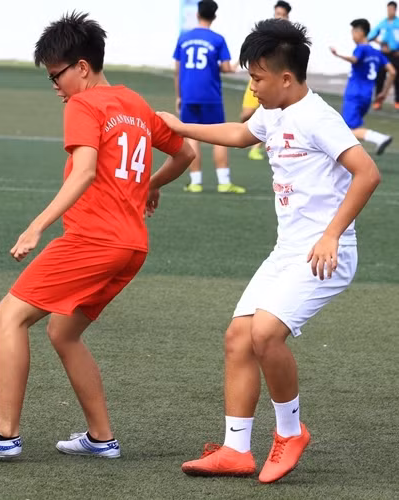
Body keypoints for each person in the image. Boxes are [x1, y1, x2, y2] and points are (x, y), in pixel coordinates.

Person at [0, 11, 194, 459]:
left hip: (94, 241)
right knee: (63, 332)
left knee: (9, 316)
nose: (55, 86)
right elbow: (187, 153)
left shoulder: (84, 105)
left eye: (56, 75)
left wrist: (36, 226)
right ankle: (101, 438)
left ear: (82, 67)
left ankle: (3, 436)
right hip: (132, 247)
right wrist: (151, 185)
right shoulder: (136, 104)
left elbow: (83, 172)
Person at [158, 19, 381, 483]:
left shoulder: (317, 118)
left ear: (286, 77)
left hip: (326, 253)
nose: (252, 87)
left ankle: (290, 432)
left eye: (257, 78)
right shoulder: (272, 111)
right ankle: (236, 450)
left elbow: (367, 173)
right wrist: (181, 126)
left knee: (264, 334)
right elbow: (241, 135)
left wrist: (331, 234)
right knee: (238, 337)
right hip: (287, 251)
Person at [173, 0, 244, 193]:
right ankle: (224, 182)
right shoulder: (217, 39)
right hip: (210, 96)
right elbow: (226, 67)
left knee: (192, 137)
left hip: (189, 95)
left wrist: (179, 96)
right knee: (219, 137)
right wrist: (234, 66)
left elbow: (178, 70)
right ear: (214, 16)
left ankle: (195, 182)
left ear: (197, 14)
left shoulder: (184, 38)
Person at [331, 19, 394, 154]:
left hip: (354, 94)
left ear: (360, 32)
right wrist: (384, 93)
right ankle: (350, 158)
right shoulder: (377, 53)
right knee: (351, 130)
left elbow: (355, 59)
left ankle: (379, 138)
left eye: (353, 33)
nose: (352, 36)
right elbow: (393, 72)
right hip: (367, 96)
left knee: (348, 130)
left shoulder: (360, 48)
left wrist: (338, 55)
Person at [241, 1, 291, 161]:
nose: (279, 17)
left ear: (287, 17)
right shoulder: (265, 32)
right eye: (277, 14)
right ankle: (245, 135)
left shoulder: (290, 38)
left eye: (283, 15)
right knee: (246, 114)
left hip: (274, 83)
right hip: (257, 79)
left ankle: (257, 148)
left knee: (270, 115)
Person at [369, 1, 399, 109]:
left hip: (396, 54)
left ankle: (397, 101)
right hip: (384, 55)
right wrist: (380, 43)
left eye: (391, 9)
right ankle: (378, 101)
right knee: (380, 76)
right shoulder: (382, 24)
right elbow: (371, 36)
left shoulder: (398, 24)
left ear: (395, 10)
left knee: (397, 78)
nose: (389, 11)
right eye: (388, 9)